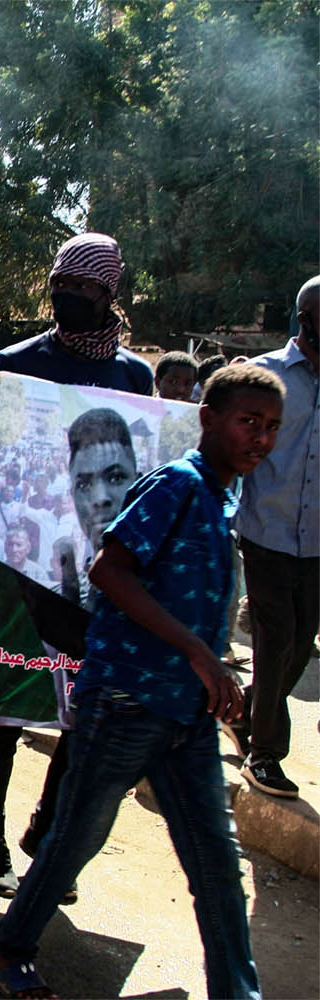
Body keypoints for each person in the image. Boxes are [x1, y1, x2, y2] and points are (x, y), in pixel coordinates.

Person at [0, 363, 282, 1000]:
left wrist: (216, 673)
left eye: (272, 427)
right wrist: (198, 651)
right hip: (125, 702)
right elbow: (111, 572)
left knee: (218, 867)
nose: (260, 438)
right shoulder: (177, 485)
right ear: (208, 419)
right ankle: (6, 949)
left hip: (184, 717)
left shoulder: (224, 498)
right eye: (248, 422)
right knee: (75, 839)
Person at [0, 231, 153, 898]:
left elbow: (146, 480)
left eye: (83, 288)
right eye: (60, 285)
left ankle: (47, 829)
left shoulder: (135, 378)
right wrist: (13, 512)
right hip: (22, 563)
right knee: (8, 705)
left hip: (100, 576)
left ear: (110, 294)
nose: (67, 297)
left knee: (81, 708)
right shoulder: (16, 361)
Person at [229, 275, 319, 798]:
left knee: (299, 649)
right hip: (265, 535)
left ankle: (244, 710)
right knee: (275, 640)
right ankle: (264, 754)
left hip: (316, 544)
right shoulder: (263, 376)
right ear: (306, 321)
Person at [57, 408, 138, 608]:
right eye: (84, 485)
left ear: (139, 481)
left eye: (115, 477)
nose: (100, 498)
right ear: (73, 495)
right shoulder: (69, 594)